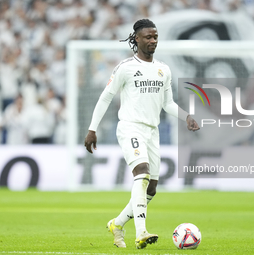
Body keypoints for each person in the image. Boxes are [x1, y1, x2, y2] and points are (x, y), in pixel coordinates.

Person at [84, 19, 200, 249]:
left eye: (155, 37)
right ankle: (141, 232)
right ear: (136, 38)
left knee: (152, 188)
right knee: (142, 173)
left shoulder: (163, 69)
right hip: (130, 126)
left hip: (152, 131)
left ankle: (117, 224)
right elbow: (106, 96)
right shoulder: (125, 67)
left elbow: (168, 104)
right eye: (148, 37)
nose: (153, 41)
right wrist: (92, 128)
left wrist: (186, 116)